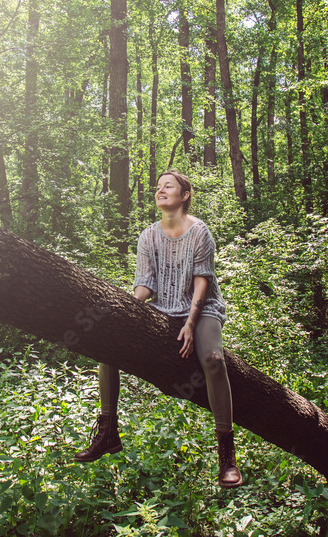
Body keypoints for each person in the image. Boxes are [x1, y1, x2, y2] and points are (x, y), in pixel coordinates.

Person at [74, 169, 243, 488]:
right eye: (158, 186)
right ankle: (108, 432)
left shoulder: (199, 231)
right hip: (164, 309)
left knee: (213, 361)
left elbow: (201, 281)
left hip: (201, 307)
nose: (160, 190)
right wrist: (123, 309)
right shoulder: (148, 236)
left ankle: (227, 456)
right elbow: (145, 285)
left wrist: (191, 323)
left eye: (169, 186)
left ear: (185, 195)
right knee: (106, 342)